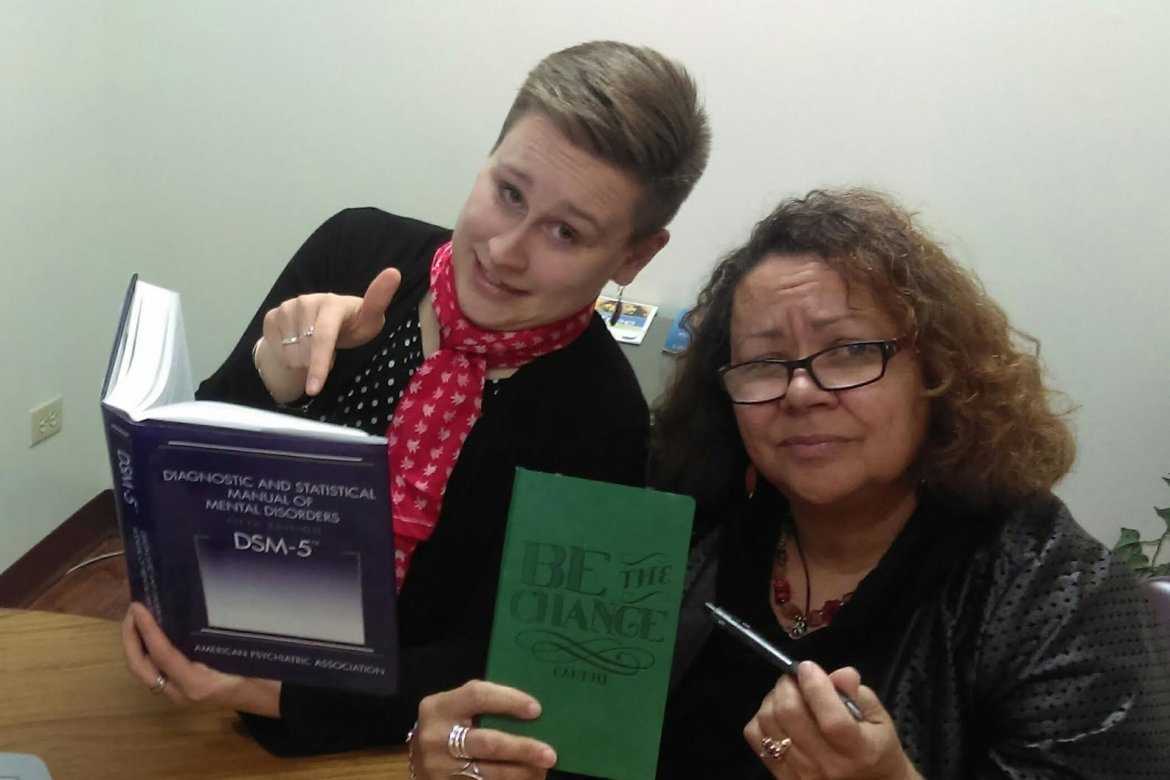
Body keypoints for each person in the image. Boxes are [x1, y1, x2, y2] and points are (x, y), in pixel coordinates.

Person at [406, 188, 1170, 779]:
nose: (801, 392)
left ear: (936, 370)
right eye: (764, 362)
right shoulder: (681, 532)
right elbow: (560, 741)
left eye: (848, 352)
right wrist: (464, 746)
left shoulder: (1057, 599)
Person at [120, 39, 710, 759]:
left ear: (633, 256)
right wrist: (268, 373)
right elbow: (192, 473)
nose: (504, 252)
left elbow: (497, 663)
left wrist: (256, 690)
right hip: (190, 684)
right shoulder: (355, 251)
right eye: (509, 193)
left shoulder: (603, 422)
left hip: (387, 746)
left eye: (565, 231)